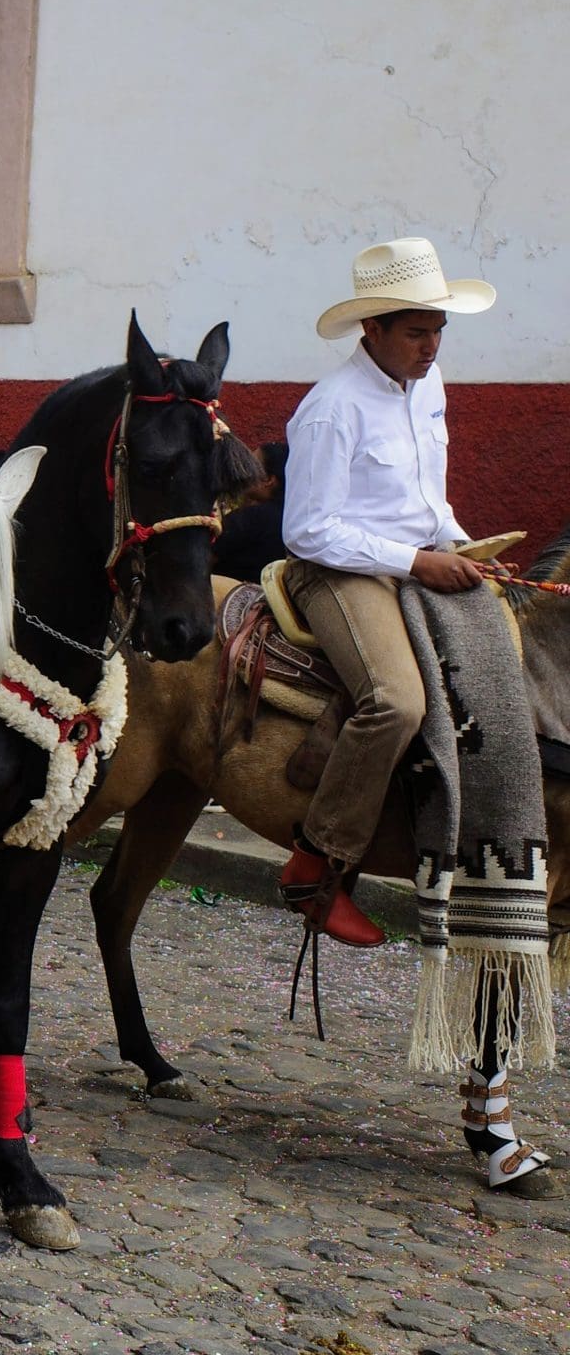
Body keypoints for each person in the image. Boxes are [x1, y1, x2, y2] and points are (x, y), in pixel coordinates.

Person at [277, 238, 496, 950]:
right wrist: (415, 562)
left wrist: (462, 544)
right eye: (415, 332)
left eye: (438, 330)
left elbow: (429, 501)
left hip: (415, 559)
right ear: (372, 328)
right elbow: (308, 530)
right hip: (336, 570)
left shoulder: (428, 384)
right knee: (397, 700)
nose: (431, 347)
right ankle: (317, 862)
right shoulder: (331, 408)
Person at [211, 441, 291, 581]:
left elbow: (200, 561)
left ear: (268, 480)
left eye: (249, 465)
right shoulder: (293, 519)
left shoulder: (250, 518)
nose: (241, 470)